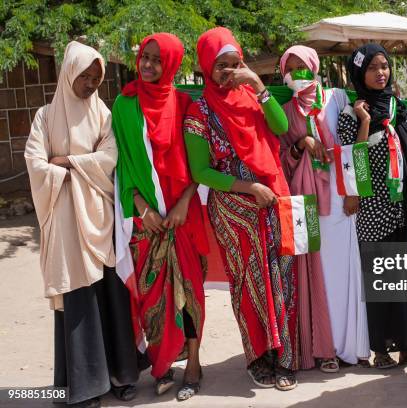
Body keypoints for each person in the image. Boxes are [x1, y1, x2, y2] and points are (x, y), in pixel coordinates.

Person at [25, 41, 140, 408]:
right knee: (78, 300)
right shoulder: (45, 116)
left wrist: (69, 163)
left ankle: (122, 375)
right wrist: (71, 165)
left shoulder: (103, 114)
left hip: (98, 220)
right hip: (65, 225)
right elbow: (35, 163)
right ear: (69, 73)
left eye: (96, 77)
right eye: (84, 76)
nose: (90, 84)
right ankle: (83, 387)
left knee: (110, 295)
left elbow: (110, 158)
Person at [184, 27, 299, 391]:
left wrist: (259, 86)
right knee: (249, 284)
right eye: (222, 66)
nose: (229, 72)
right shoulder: (199, 111)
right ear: (206, 67)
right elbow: (201, 171)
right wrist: (250, 188)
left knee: (281, 278)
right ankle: (258, 357)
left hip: (274, 197)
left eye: (236, 64)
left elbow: (280, 127)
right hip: (234, 208)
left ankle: (285, 358)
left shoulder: (251, 96)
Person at [113, 33, 208, 401]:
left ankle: (195, 362)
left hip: (183, 217)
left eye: (157, 59)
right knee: (152, 298)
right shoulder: (125, 105)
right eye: (145, 57)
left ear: (170, 63)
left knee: (189, 293)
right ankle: (163, 364)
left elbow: (200, 163)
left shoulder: (186, 103)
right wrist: (139, 205)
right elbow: (119, 164)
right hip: (147, 221)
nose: (149, 65)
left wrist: (185, 201)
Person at [338, 43, 407, 370]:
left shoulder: (399, 109)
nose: (380, 73)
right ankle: (381, 349)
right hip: (372, 208)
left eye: (384, 66)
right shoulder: (350, 113)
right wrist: (365, 124)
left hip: (405, 206)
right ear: (359, 73)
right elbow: (355, 166)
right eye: (372, 68)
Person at [279, 45, 370, 369]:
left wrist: (356, 191)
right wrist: (302, 143)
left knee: (344, 275)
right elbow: (282, 163)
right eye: (289, 69)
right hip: (308, 205)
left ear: (314, 65)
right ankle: (324, 349)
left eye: (302, 66)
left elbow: (354, 147)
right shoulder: (287, 112)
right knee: (314, 278)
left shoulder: (337, 99)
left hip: (341, 202)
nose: (296, 74)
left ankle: (349, 348)